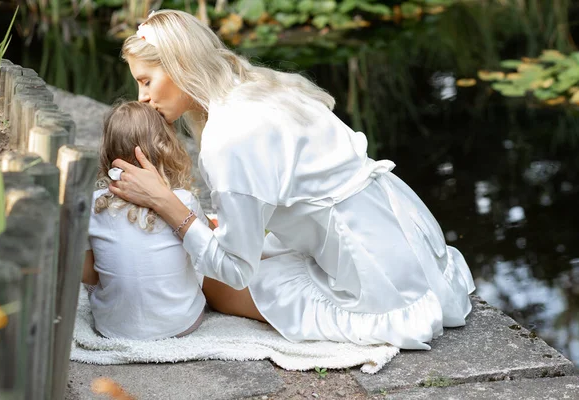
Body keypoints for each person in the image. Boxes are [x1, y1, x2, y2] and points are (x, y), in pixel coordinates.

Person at [109, 9, 476, 349]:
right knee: (233, 248)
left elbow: (236, 271)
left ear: (179, 64)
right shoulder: (257, 87)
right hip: (407, 234)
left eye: (146, 81)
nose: (143, 97)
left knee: (209, 282)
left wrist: (166, 204)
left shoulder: (227, 138)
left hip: (374, 270)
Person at [81, 101, 210, 340]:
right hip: (181, 324)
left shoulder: (92, 204)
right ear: (167, 146)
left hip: (111, 327)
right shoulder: (182, 201)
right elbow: (207, 249)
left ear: (107, 151)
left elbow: (88, 275)